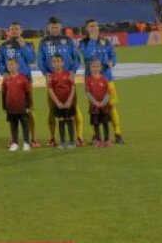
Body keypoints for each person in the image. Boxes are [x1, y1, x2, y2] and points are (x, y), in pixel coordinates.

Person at [36, 16, 83, 147]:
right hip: (53, 81)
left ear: (60, 27)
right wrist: (46, 74)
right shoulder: (43, 42)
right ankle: (52, 138)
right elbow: (40, 60)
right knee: (52, 109)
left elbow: (77, 58)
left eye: (57, 27)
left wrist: (72, 72)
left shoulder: (68, 40)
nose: (55, 29)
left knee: (74, 108)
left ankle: (78, 136)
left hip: (67, 80)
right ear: (48, 28)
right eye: (52, 27)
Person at [79, 19, 124, 144]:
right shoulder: (83, 43)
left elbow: (113, 55)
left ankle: (118, 134)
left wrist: (112, 62)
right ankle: (95, 136)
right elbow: (87, 55)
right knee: (94, 108)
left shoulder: (106, 41)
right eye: (91, 26)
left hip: (107, 78)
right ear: (86, 29)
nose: (94, 28)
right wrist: (93, 40)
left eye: (96, 26)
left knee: (111, 106)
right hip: (91, 81)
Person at [0, 23, 36, 143]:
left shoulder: (27, 44)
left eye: (16, 29)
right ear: (9, 31)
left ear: (21, 31)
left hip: (25, 80)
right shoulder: (3, 46)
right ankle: (14, 139)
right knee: (11, 109)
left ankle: (32, 138)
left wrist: (23, 46)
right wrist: (4, 72)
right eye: (12, 29)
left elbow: (32, 60)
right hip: (11, 81)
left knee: (29, 109)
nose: (14, 31)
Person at [1, 58, 32, 152]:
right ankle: (15, 143)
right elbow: (3, 93)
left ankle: (26, 143)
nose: (11, 66)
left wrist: (29, 106)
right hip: (11, 107)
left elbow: (28, 93)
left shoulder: (23, 78)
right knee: (13, 125)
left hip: (22, 107)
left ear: (17, 65)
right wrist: (4, 106)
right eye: (9, 65)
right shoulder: (6, 79)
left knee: (25, 124)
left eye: (13, 64)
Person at [47, 54, 76, 150]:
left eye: (59, 61)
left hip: (69, 103)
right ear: (52, 64)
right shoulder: (51, 76)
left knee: (69, 121)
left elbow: (73, 88)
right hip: (58, 104)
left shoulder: (68, 74)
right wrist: (57, 102)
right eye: (54, 61)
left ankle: (72, 142)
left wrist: (69, 101)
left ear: (63, 63)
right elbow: (50, 90)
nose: (57, 63)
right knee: (61, 121)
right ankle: (62, 141)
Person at [84, 58, 113, 147]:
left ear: (100, 68)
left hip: (104, 106)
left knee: (105, 123)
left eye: (97, 66)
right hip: (94, 106)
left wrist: (103, 102)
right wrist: (95, 102)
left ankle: (107, 140)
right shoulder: (88, 80)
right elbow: (87, 92)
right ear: (90, 68)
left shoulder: (104, 79)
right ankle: (98, 140)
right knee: (96, 124)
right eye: (93, 67)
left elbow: (108, 92)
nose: (95, 68)